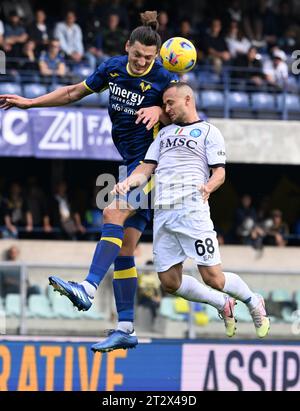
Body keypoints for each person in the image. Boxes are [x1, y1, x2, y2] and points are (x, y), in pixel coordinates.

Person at [0, 11, 177, 353]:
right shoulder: (111, 68)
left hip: (154, 164)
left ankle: (89, 287)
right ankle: (125, 327)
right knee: (125, 249)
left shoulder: (164, 78)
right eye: (137, 55)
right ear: (128, 47)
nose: (141, 62)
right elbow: (72, 93)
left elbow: (186, 110)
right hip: (130, 163)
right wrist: (30, 103)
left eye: (148, 58)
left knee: (112, 213)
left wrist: (162, 111)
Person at [113, 82, 270, 339]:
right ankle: (222, 304)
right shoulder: (164, 134)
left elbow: (219, 171)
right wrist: (128, 182)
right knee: (169, 282)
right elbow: (146, 167)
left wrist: (208, 186)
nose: (166, 109)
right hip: (163, 214)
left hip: (191, 211)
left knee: (214, 278)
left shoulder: (208, 132)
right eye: (164, 104)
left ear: (187, 99)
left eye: (170, 103)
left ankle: (253, 301)